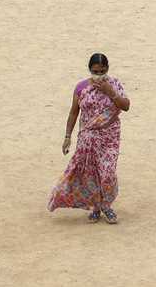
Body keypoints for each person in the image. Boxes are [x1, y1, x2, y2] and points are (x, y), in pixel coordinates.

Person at [48, 53, 131, 224]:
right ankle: (97, 207)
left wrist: (110, 92)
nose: (99, 75)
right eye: (95, 72)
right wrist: (67, 136)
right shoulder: (81, 88)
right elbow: (73, 112)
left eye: (102, 71)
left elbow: (126, 106)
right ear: (89, 70)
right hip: (87, 138)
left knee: (107, 173)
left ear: (107, 69)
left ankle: (107, 205)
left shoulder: (114, 84)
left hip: (109, 137)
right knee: (90, 174)